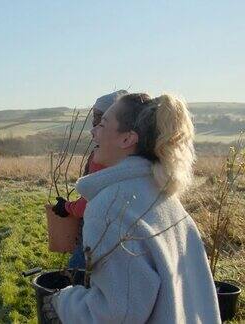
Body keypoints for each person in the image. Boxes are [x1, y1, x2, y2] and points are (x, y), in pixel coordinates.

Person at [44, 93, 220, 323]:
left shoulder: (110, 207)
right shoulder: (164, 197)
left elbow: (116, 315)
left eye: (103, 124)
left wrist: (64, 301)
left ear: (127, 139)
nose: (93, 131)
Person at [52, 90, 127, 269]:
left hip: (97, 234)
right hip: (119, 237)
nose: (94, 123)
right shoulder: (126, 155)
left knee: (77, 276)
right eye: (94, 116)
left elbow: (90, 203)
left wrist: (66, 207)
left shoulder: (104, 156)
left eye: (100, 117)